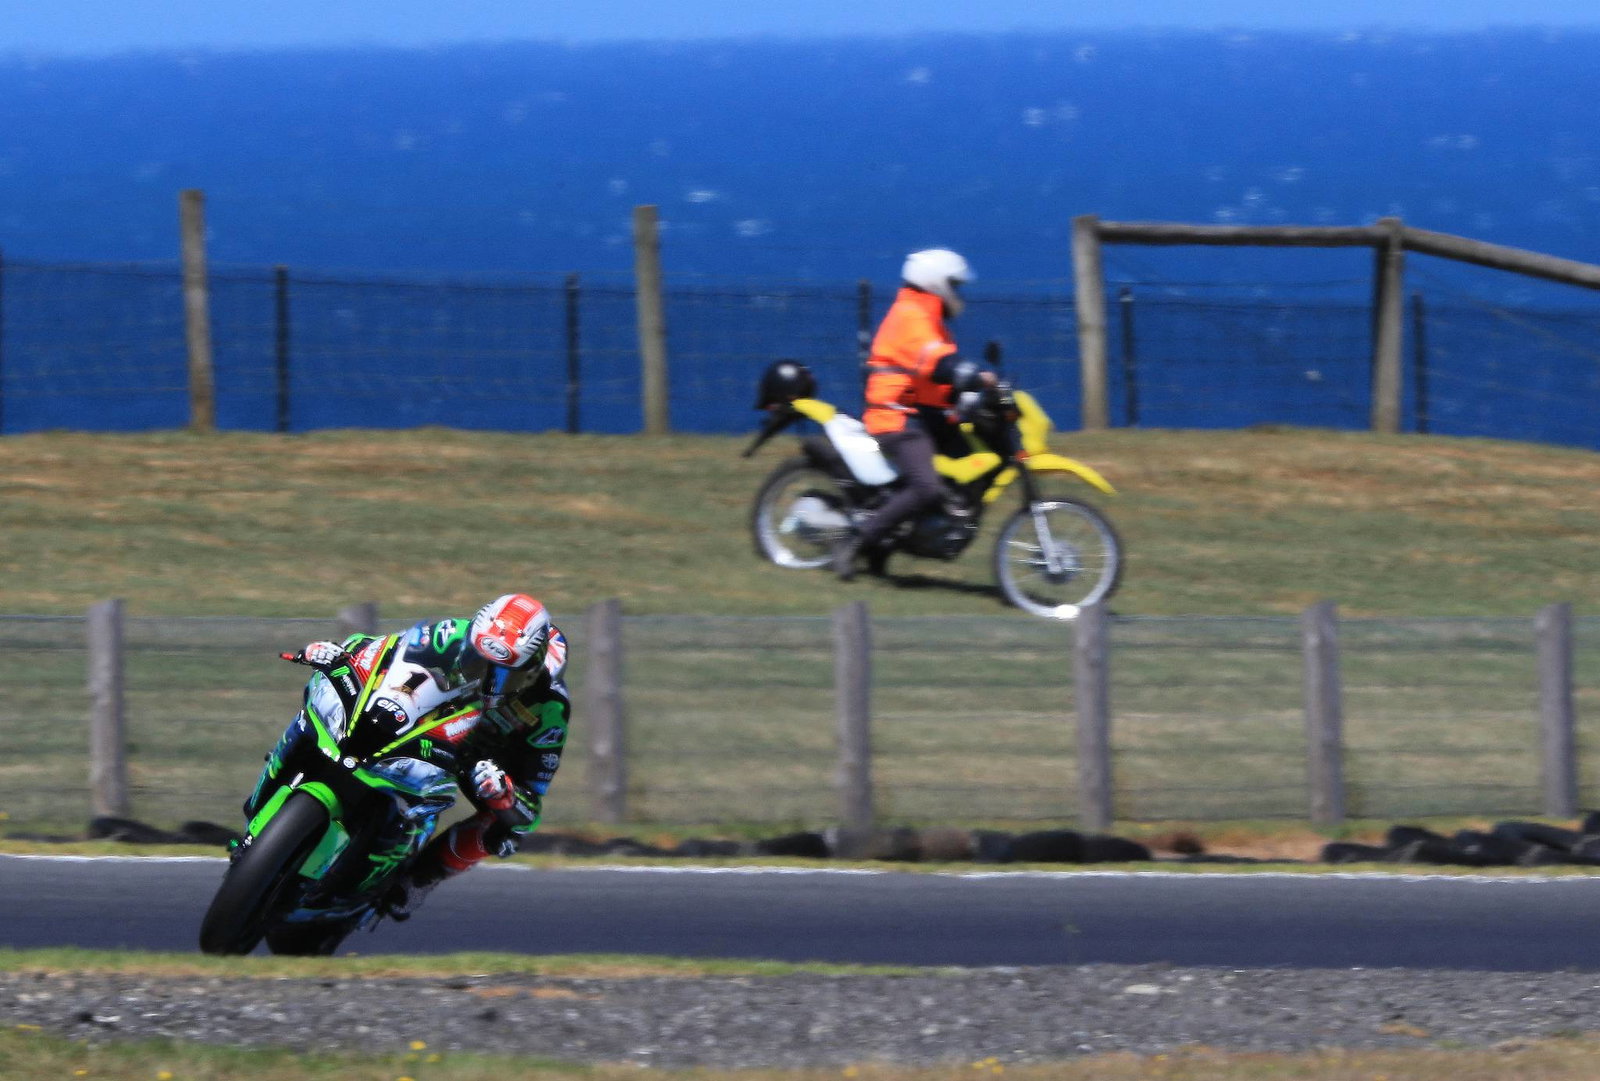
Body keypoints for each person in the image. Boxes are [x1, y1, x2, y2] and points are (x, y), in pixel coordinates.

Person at [270, 592, 570, 919]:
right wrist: (343, 651)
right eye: (479, 661)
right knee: (326, 700)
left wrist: (504, 793)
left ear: (532, 671)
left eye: (505, 673)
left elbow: (532, 803)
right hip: (428, 715)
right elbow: (386, 648)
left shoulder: (550, 708)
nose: (491, 680)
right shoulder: (452, 633)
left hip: (483, 760)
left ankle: (419, 881)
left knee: (508, 830)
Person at [833, 248, 996, 580]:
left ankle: (923, 530)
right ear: (935, 281)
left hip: (921, 412)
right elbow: (936, 361)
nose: (958, 292)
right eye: (955, 284)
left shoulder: (929, 318)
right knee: (926, 486)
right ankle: (856, 542)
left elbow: (938, 377)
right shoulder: (911, 315)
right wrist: (974, 375)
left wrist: (974, 393)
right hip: (896, 414)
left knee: (969, 461)